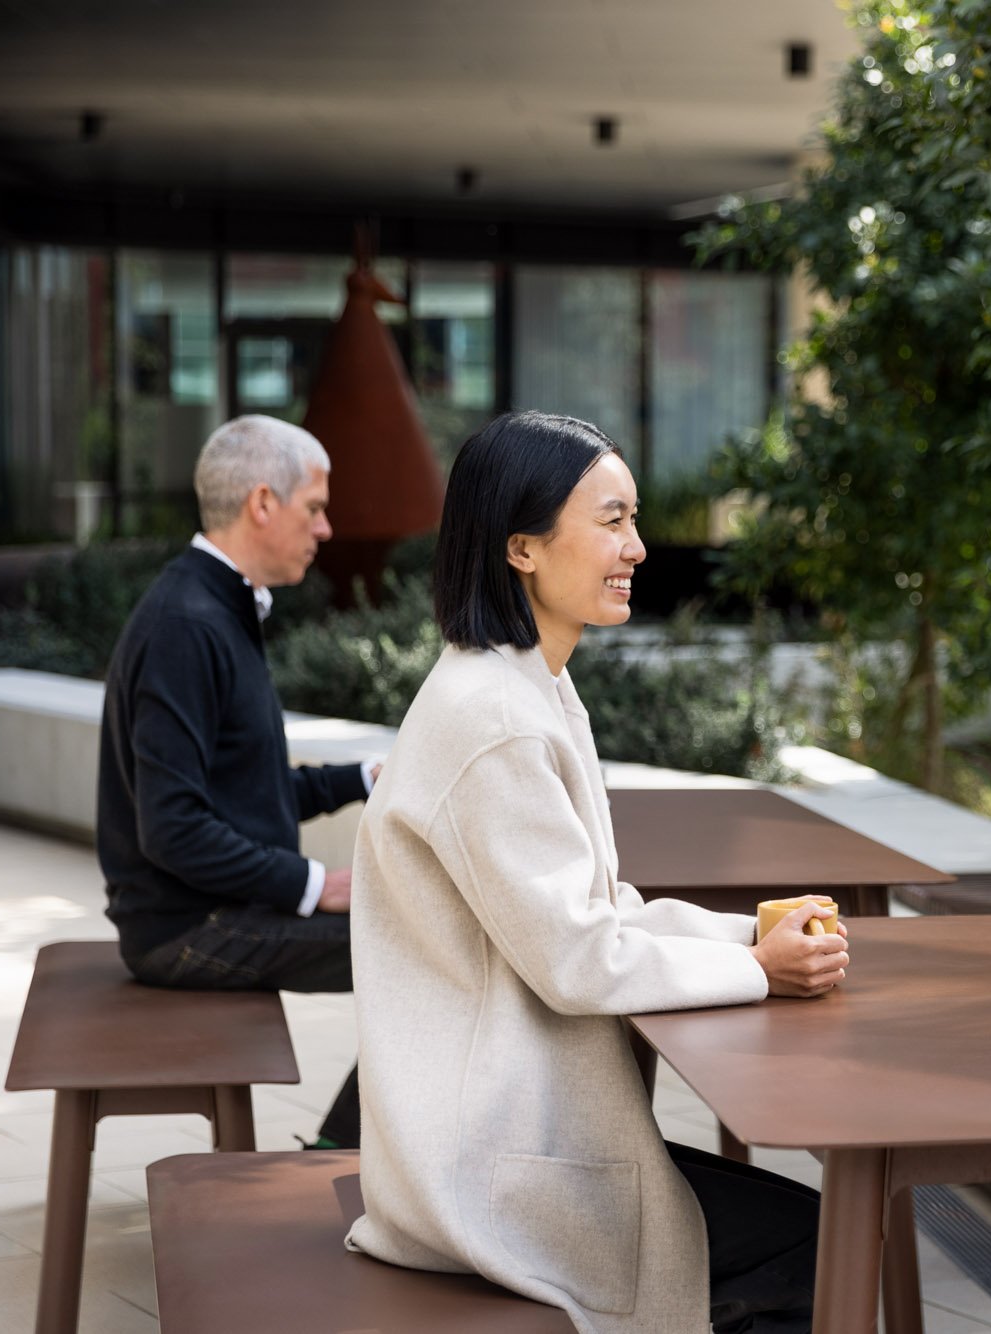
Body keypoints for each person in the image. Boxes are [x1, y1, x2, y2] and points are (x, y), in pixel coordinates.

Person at [344, 411, 845, 1334]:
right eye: (612, 521)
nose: (638, 547)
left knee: (811, 1235)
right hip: (488, 1170)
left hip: (506, 1135)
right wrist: (759, 972)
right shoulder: (495, 715)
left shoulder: (527, 685)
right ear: (522, 547)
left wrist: (748, 933)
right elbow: (582, 960)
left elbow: (598, 911)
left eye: (633, 518)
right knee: (823, 1251)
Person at [98, 414, 375, 1149]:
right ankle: (337, 1164)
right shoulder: (187, 625)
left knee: (430, 942)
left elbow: (244, 787)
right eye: (313, 507)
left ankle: (347, 1157)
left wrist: (366, 778)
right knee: (434, 950)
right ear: (262, 504)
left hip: (210, 911)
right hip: (185, 931)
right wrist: (317, 884)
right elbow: (175, 828)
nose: (325, 528)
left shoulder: (214, 607)